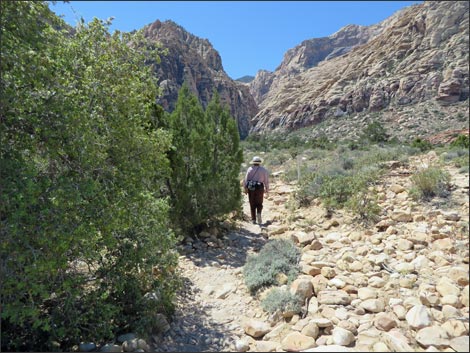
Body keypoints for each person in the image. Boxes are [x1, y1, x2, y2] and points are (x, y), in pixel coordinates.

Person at [243, 156, 270, 225]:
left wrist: (245, 188)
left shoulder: (250, 169)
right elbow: (266, 181)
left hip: (251, 188)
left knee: (252, 203)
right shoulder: (264, 170)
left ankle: (253, 219)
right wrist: (267, 189)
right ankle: (259, 213)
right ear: (259, 163)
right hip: (260, 188)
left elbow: (246, 180)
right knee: (259, 203)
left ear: (253, 162)